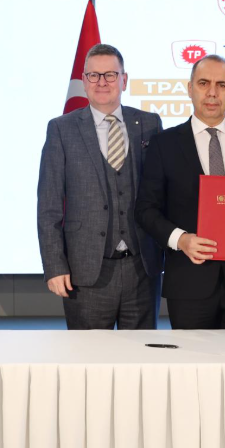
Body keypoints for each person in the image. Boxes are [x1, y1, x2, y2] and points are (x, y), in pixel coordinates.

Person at [135, 55, 225, 329]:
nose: (212, 92)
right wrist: (181, 240)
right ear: (190, 88)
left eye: (221, 85)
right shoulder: (164, 144)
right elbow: (145, 209)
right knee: (192, 358)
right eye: (203, 83)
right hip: (188, 283)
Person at [37, 43, 163, 329]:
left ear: (124, 80)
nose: (102, 82)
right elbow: (49, 206)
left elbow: (163, 193)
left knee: (141, 354)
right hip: (86, 273)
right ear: (84, 81)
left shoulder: (150, 124)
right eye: (94, 75)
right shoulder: (61, 129)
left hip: (142, 270)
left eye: (110, 74)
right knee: (88, 356)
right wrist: (54, 266)